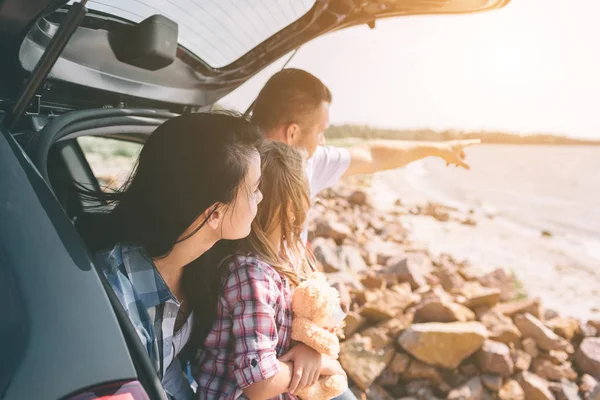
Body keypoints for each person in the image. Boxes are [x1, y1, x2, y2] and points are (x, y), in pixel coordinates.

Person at [251, 68, 480, 400]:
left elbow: (372, 154)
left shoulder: (306, 162)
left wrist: (437, 147)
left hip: (299, 334)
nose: (323, 143)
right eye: (321, 133)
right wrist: (307, 345)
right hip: (274, 349)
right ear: (292, 132)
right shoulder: (239, 178)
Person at [92, 112, 263, 400]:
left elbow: (165, 369)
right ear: (214, 213)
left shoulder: (207, 258)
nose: (260, 197)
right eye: (254, 189)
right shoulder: (114, 295)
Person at [191, 141, 346, 399]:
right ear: (291, 205)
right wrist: (324, 365)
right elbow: (259, 383)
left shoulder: (287, 259)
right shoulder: (251, 275)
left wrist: (312, 351)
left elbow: (311, 323)